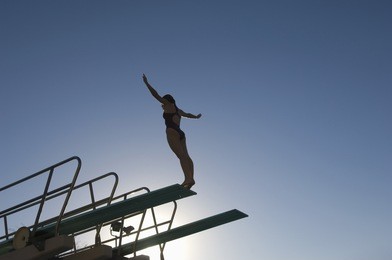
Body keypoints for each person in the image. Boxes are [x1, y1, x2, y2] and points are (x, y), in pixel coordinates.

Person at [142, 74, 201, 189]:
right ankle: (191, 178)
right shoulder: (178, 110)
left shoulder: (168, 104)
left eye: (163, 104)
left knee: (181, 156)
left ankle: (188, 179)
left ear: (167, 100)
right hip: (181, 133)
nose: (162, 106)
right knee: (186, 156)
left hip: (172, 131)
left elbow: (156, 95)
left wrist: (146, 83)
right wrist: (196, 117)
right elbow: (188, 115)